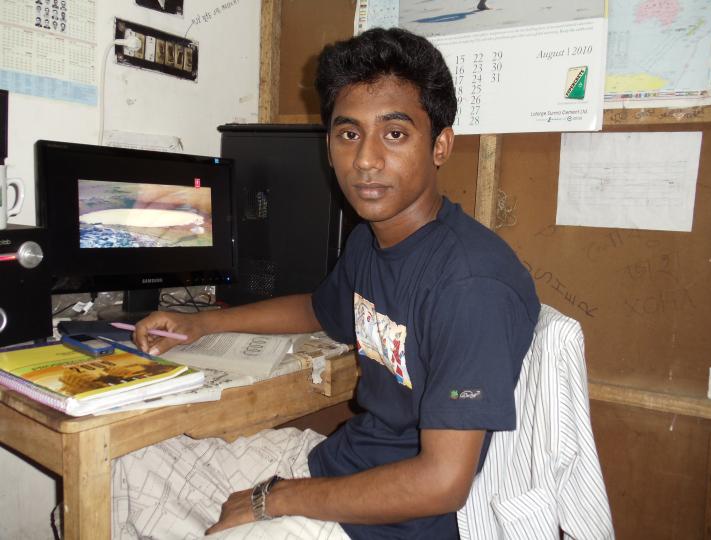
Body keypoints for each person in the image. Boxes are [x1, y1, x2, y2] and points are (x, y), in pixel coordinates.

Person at [113, 27, 539, 539]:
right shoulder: (370, 241)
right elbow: (318, 310)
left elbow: (442, 483)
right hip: (338, 463)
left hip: (394, 522)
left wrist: (274, 499)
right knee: (125, 468)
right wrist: (201, 323)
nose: (365, 160)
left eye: (395, 134)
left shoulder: (471, 284)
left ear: (440, 145)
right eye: (348, 134)